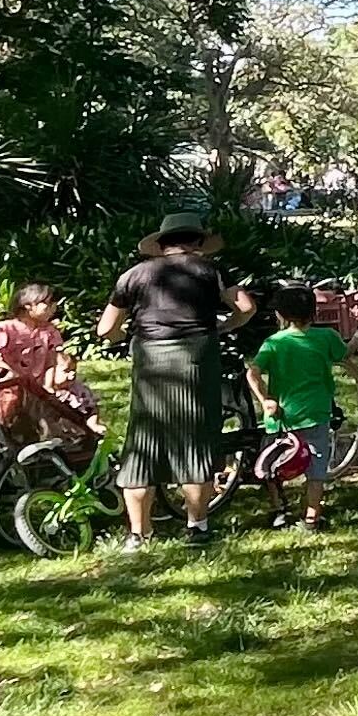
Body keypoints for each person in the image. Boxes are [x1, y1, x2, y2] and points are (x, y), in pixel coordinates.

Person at [96, 211, 257, 550]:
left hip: (151, 362)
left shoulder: (134, 275)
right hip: (197, 360)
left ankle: (139, 535)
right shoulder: (210, 271)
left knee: (144, 439)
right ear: (198, 242)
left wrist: (121, 334)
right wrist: (225, 326)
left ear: (161, 244)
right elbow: (246, 307)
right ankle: (197, 527)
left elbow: (105, 329)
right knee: (195, 440)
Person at [245, 283, 358, 531]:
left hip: (281, 417)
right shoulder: (326, 337)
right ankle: (311, 518)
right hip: (316, 414)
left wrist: (265, 401)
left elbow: (253, 373)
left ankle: (279, 511)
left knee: (272, 465)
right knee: (317, 469)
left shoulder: (274, 343)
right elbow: (345, 353)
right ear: (314, 313)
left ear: (280, 315)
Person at [0, 283, 102, 445]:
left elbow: (51, 360)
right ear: (28, 306)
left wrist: (48, 385)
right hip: (7, 389)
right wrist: (10, 374)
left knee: (39, 422)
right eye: (48, 304)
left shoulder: (49, 331)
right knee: (6, 423)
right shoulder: (5, 329)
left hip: (36, 389)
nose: (53, 308)